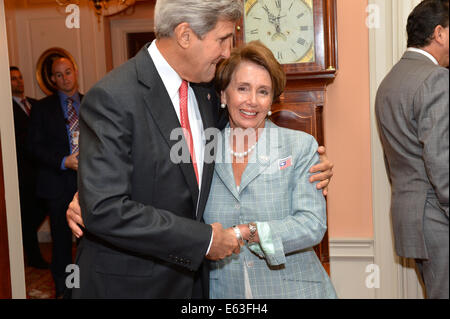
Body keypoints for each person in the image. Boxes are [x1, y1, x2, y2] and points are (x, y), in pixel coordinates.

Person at [67, 0, 333, 299]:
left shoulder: (205, 92)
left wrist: (315, 162)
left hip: (194, 284)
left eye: (262, 91)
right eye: (221, 39)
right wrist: (90, 197)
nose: (226, 51)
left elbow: (241, 132)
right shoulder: (113, 96)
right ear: (185, 35)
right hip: (133, 286)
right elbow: (106, 207)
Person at [201, 41, 337, 299]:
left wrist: (247, 232)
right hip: (224, 291)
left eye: (263, 91)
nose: (252, 101)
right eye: (242, 88)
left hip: (294, 290)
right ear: (223, 95)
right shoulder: (202, 150)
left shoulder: (299, 146)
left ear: (272, 100)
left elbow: (312, 224)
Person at [375, 0, 449, 299]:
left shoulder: (389, 81)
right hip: (437, 221)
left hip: (412, 219)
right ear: (440, 33)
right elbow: (442, 162)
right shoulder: (436, 79)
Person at [28, 57, 82, 298]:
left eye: (67, 72)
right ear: (52, 79)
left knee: (88, 240)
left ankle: (85, 286)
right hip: (56, 184)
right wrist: (64, 161)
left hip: (87, 184)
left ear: (75, 72)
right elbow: (34, 147)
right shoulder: (41, 108)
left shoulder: (93, 102)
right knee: (60, 241)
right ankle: (64, 289)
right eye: (58, 75)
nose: (64, 78)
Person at [10, 66, 48, 269]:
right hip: (23, 173)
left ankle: (24, 244)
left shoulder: (35, 104)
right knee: (27, 215)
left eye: (20, 77)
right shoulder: (6, 109)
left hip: (43, 171)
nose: (19, 81)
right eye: (14, 79)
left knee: (42, 209)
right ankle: (33, 257)